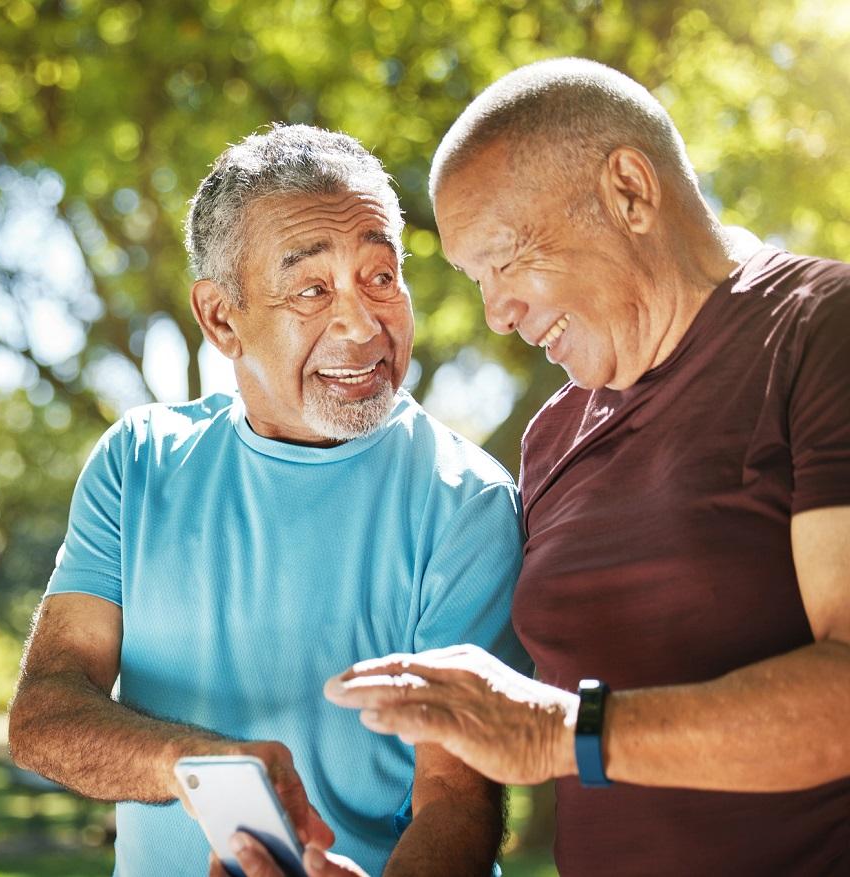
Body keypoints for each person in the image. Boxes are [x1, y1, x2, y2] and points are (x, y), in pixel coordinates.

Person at [326, 58, 850, 875]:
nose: (499, 313)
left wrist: (565, 733)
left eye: (505, 261)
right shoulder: (550, 437)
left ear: (630, 191)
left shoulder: (822, 331)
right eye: (476, 281)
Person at [8, 124, 530, 876]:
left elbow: (458, 795)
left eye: (381, 277)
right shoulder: (137, 461)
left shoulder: (466, 501)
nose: (361, 323)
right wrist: (200, 766)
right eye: (313, 289)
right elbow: (45, 713)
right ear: (222, 318)